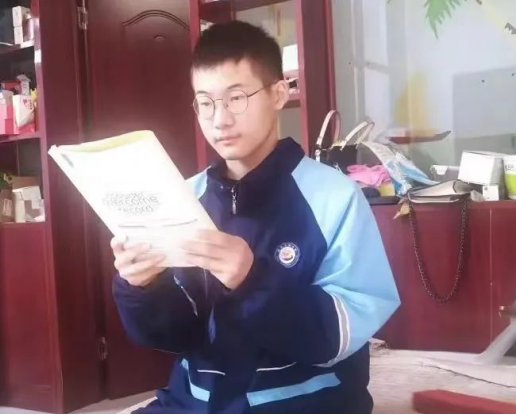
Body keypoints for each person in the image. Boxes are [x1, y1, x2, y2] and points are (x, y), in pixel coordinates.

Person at [112, 21, 400, 414]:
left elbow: (337, 339)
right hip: (195, 403)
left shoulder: (334, 197)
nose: (220, 120)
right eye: (206, 103)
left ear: (278, 94)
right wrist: (143, 287)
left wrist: (252, 280)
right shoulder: (185, 198)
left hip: (303, 405)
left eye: (236, 98)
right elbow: (173, 336)